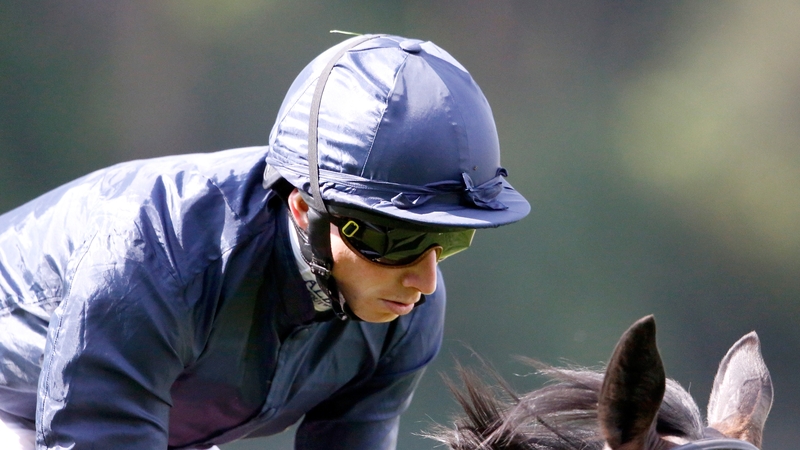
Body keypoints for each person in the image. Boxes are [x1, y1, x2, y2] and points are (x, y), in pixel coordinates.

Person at [0, 34, 529, 449]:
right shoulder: (149, 256)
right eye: (396, 239)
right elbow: (90, 437)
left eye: (449, 239)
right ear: (303, 207)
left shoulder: (407, 306)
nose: (423, 279)